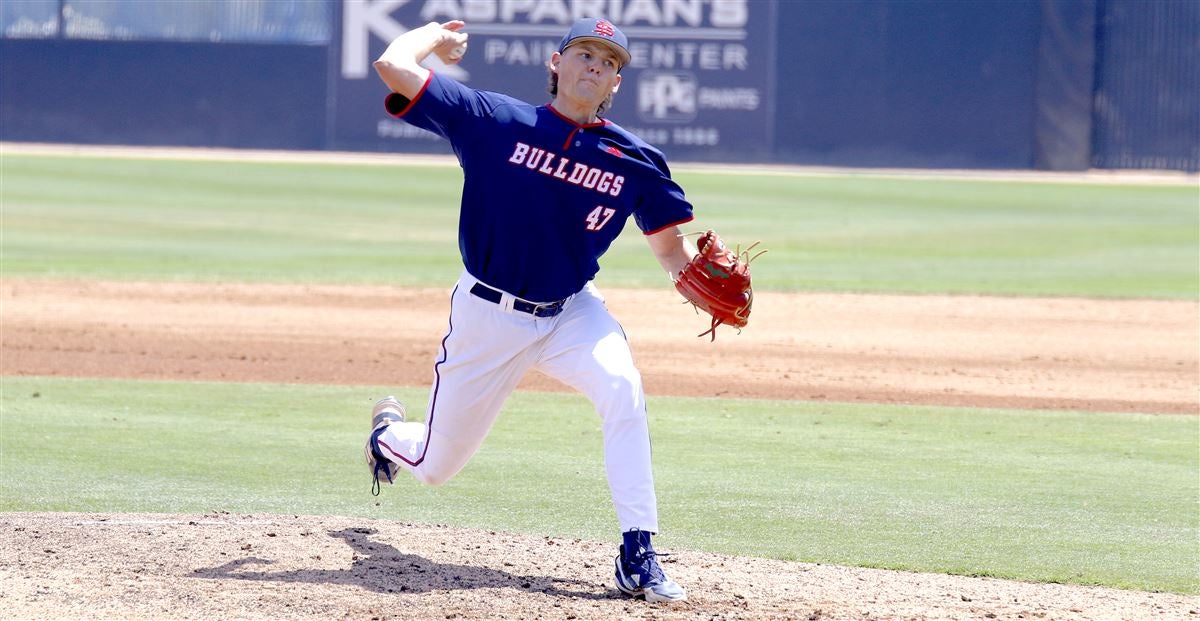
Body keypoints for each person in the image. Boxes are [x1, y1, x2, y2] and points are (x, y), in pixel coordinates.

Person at [364, 17, 698, 603]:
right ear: (557, 63)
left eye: (610, 62)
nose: (597, 67)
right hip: (488, 316)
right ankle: (389, 435)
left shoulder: (635, 159)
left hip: (572, 311)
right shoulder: (494, 121)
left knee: (622, 388)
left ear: (617, 82)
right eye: (587, 54)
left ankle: (638, 551)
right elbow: (394, 65)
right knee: (437, 466)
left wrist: (694, 281)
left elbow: (671, 249)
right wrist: (434, 39)